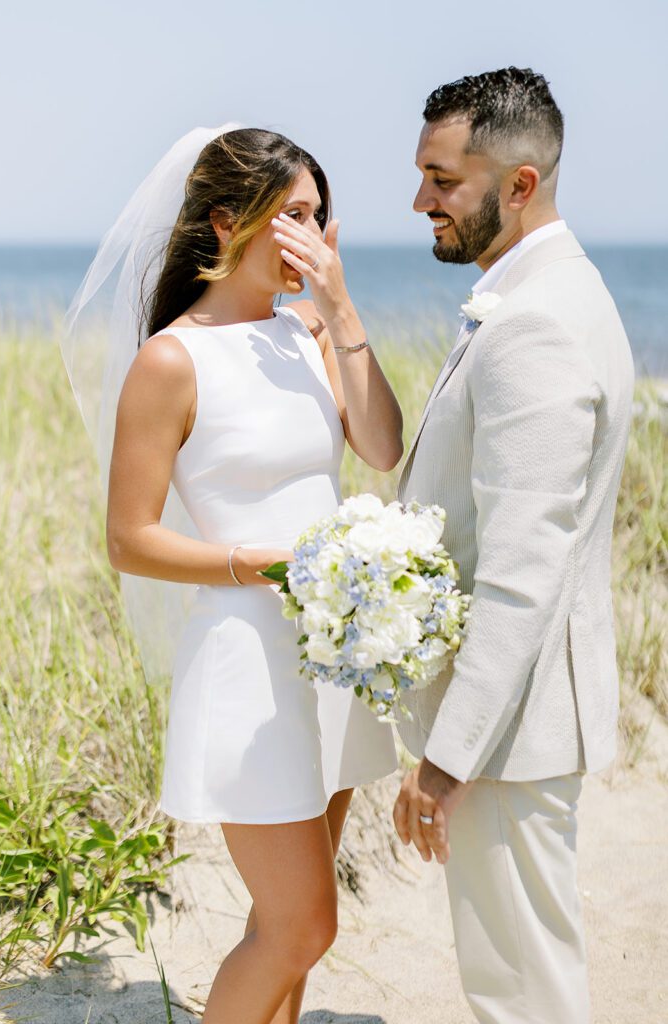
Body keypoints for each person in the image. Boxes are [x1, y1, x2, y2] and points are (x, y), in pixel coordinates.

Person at [66, 126, 402, 1024]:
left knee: (285, 919)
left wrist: (342, 315)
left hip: (331, 655)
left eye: (319, 217)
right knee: (301, 929)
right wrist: (251, 563)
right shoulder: (171, 360)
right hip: (246, 663)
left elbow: (380, 446)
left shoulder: (309, 335)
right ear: (227, 221)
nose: (311, 235)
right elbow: (128, 540)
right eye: (292, 214)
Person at [392, 68, 634, 1023]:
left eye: (443, 180)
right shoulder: (550, 290)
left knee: (520, 990)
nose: (420, 201)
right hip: (521, 718)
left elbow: (522, 573)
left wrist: (447, 760)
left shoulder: (532, 322)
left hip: (510, 728)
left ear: (520, 184)